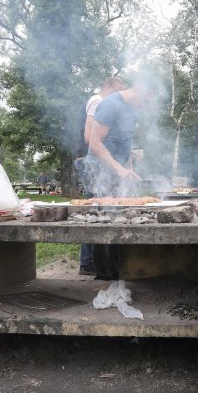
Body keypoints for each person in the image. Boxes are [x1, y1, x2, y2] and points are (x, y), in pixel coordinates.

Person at [85, 78, 157, 280]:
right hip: (100, 169)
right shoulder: (110, 104)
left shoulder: (133, 110)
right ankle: (105, 275)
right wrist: (118, 168)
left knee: (122, 216)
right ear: (138, 90)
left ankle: (118, 270)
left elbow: (126, 146)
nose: (145, 106)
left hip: (119, 169)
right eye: (145, 100)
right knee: (103, 219)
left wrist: (129, 171)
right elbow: (94, 143)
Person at [76, 76, 125, 276]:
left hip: (94, 162)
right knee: (96, 212)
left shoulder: (101, 102)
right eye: (117, 91)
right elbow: (90, 137)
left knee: (96, 210)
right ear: (108, 87)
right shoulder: (98, 101)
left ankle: (90, 263)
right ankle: (89, 264)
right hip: (92, 163)